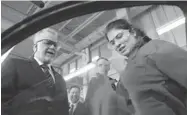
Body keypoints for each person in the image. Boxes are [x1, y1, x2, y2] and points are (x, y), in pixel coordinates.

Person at [105, 19, 187, 115]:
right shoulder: (128, 68)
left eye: (119, 36)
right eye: (112, 43)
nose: (117, 44)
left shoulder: (155, 49)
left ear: (133, 32)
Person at [1, 28, 69, 115]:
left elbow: (65, 110)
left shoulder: (60, 79)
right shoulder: (15, 65)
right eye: (47, 42)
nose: (52, 47)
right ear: (35, 47)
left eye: (55, 45)